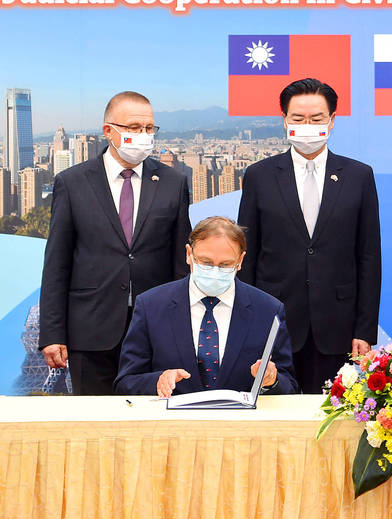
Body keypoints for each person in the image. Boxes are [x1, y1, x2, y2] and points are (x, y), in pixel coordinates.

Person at [39, 91, 191, 395]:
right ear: (109, 131)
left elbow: (180, 263)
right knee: (94, 424)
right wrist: (52, 333)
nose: (144, 136)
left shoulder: (173, 183)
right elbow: (58, 263)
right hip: (90, 329)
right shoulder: (72, 183)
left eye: (149, 129)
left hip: (155, 329)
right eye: (134, 128)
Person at [237, 78, 381, 394]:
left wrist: (365, 329)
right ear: (284, 120)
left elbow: (369, 257)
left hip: (339, 325)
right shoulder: (260, 176)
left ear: (332, 121)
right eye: (298, 119)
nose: (307, 126)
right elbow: (247, 255)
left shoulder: (358, 176)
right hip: (274, 322)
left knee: (332, 415)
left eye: (316, 119)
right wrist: (248, 324)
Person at [115, 217, 298, 396]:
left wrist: (271, 380)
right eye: (206, 263)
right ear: (189, 254)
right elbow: (126, 382)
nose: (215, 272)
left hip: (240, 423)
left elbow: (289, 385)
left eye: (225, 265)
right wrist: (158, 381)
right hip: (174, 423)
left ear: (240, 261)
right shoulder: (151, 306)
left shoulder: (267, 310)